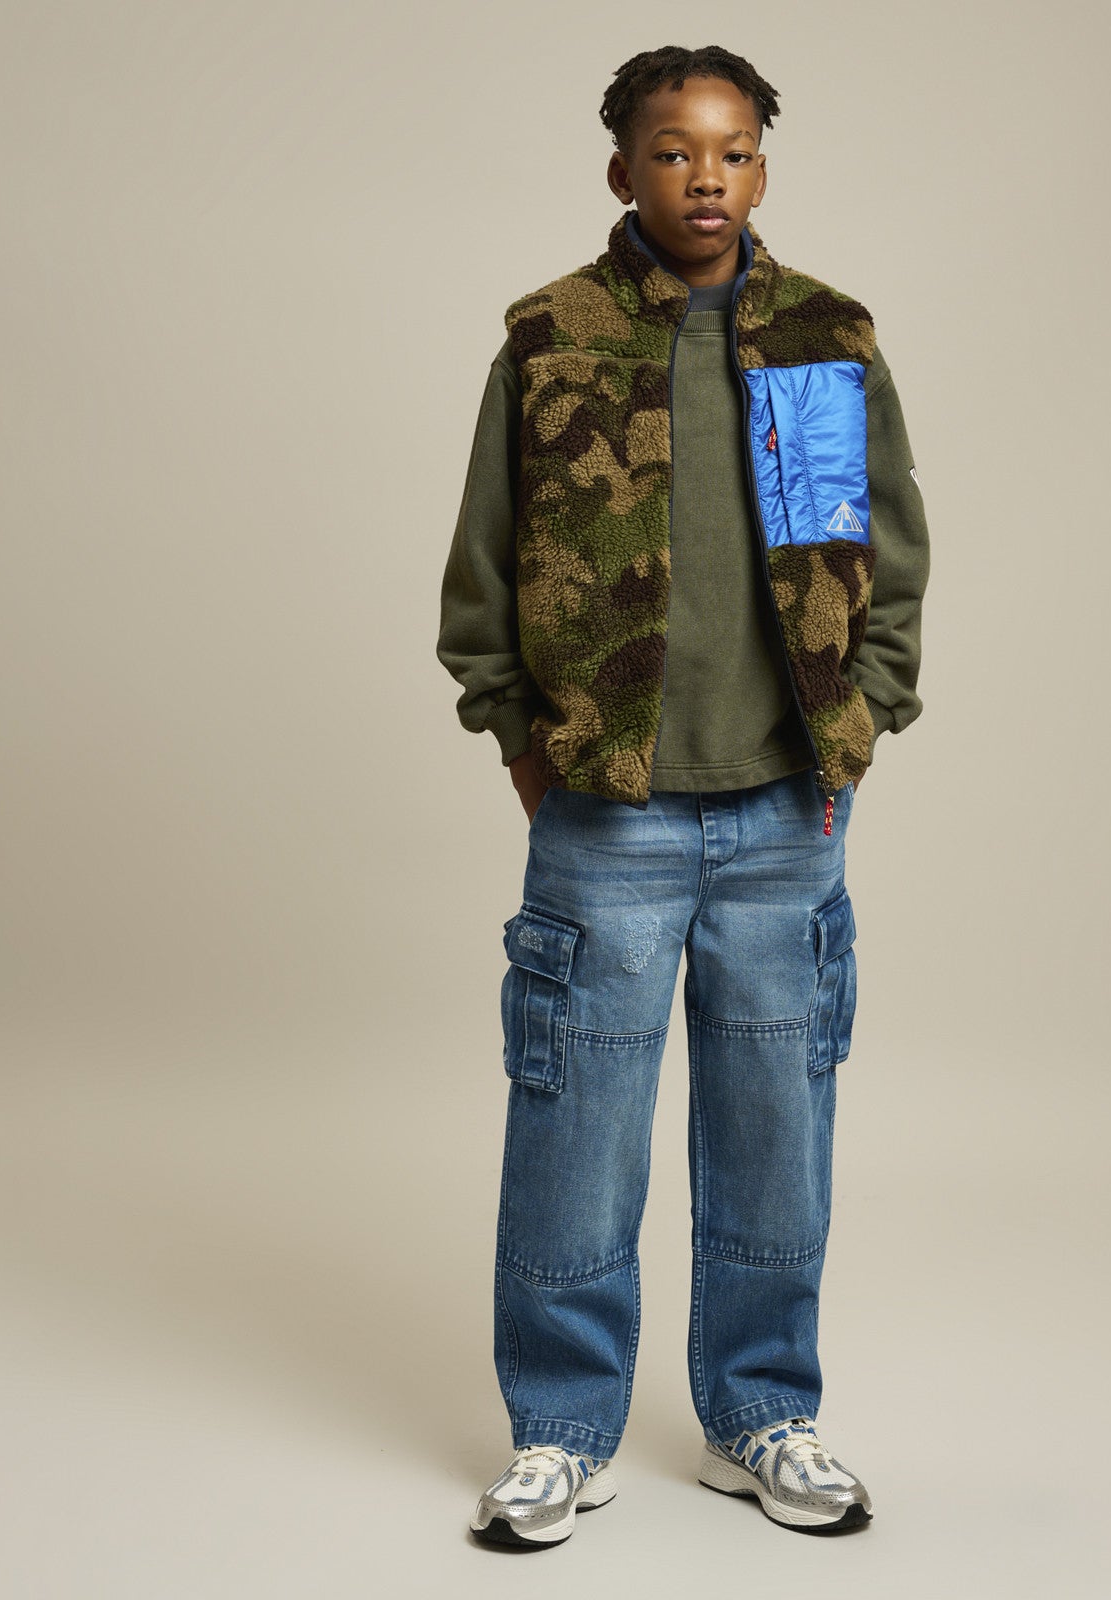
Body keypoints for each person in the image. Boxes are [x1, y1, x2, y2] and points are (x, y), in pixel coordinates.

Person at [436, 43, 931, 1548]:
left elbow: (878, 547)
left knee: (776, 1131)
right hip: (609, 813)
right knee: (576, 1132)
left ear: (761, 170)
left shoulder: (825, 340)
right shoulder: (553, 340)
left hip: (788, 814)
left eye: (732, 151)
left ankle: (763, 1413)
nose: (704, 176)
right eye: (672, 150)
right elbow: (484, 563)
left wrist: (861, 724)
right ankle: (560, 1430)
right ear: (624, 170)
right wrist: (529, 751)